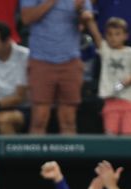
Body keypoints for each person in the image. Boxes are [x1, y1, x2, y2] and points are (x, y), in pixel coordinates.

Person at [20, 0, 94, 134]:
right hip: (40, 60)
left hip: (70, 60)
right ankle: (34, 154)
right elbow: (26, 18)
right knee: (39, 118)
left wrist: (81, 13)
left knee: (68, 120)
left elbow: (85, 22)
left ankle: (68, 154)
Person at [84, 16, 131, 135]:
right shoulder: (106, 51)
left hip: (129, 102)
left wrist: (130, 79)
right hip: (110, 102)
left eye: (117, 34)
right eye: (110, 34)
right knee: (110, 138)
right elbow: (96, 35)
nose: (113, 38)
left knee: (129, 136)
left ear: (125, 36)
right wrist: (89, 20)